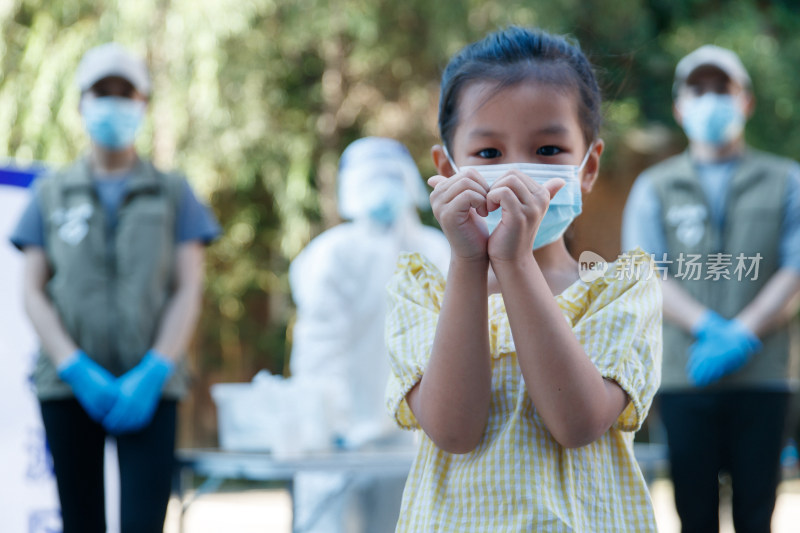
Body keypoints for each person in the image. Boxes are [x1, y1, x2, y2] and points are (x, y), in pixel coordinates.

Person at [384, 26, 662, 532]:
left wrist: (514, 264)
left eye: (548, 150)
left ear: (589, 166)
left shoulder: (620, 288)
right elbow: (453, 430)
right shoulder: (420, 290)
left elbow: (577, 423)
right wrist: (471, 264)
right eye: (488, 154)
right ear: (446, 168)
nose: (515, 175)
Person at [10, 43, 220, 533]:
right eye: (101, 93)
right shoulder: (50, 193)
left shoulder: (173, 192)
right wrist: (73, 366)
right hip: (67, 387)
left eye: (124, 93)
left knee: (144, 523)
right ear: (82, 102)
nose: (113, 104)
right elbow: (33, 291)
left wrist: (156, 368)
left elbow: (188, 288)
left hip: (150, 385)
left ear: (143, 103)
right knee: (80, 521)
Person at [622, 45, 800, 532]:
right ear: (680, 107)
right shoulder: (655, 187)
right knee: (693, 511)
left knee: (757, 511)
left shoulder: (786, 180)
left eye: (723, 89)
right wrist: (708, 327)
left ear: (746, 101)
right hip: (685, 375)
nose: (710, 100)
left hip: (763, 374)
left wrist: (742, 331)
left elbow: (796, 266)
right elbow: (647, 272)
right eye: (698, 90)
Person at [288, 136, 450, 533]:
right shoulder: (331, 255)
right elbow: (320, 348)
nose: (381, 188)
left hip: (410, 437)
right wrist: (336, 420)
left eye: (389, 176)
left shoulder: (438, 250)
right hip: (337, 439)